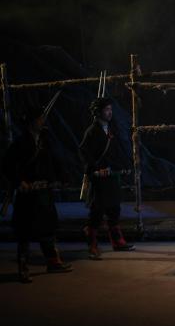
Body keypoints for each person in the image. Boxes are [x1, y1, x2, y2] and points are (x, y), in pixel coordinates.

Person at [2, 107, 72, 283]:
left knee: (47, 228)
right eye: (39, 118)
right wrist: (20, 182)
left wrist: (63, 177)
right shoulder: (19, 143)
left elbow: (56, 160)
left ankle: (53, 262)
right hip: (28, 194)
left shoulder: (45, 140)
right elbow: (8, 166)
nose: (42, 121)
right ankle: (23, 267)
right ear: (31, 122)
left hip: (44, 192)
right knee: (24, 232)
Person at [79, 97, 134, 260]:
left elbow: (117, 151)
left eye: (110, 109)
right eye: (106, 109)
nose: (110, 112)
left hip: (111, 176)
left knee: (114, 209)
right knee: (97, 211)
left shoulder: (111, 129)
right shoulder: (91, 131)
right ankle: (92, 245)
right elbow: (84, 153)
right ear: (98, 112)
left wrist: (124, 166)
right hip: (99, 178)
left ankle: (117, 241)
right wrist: (94, 170)